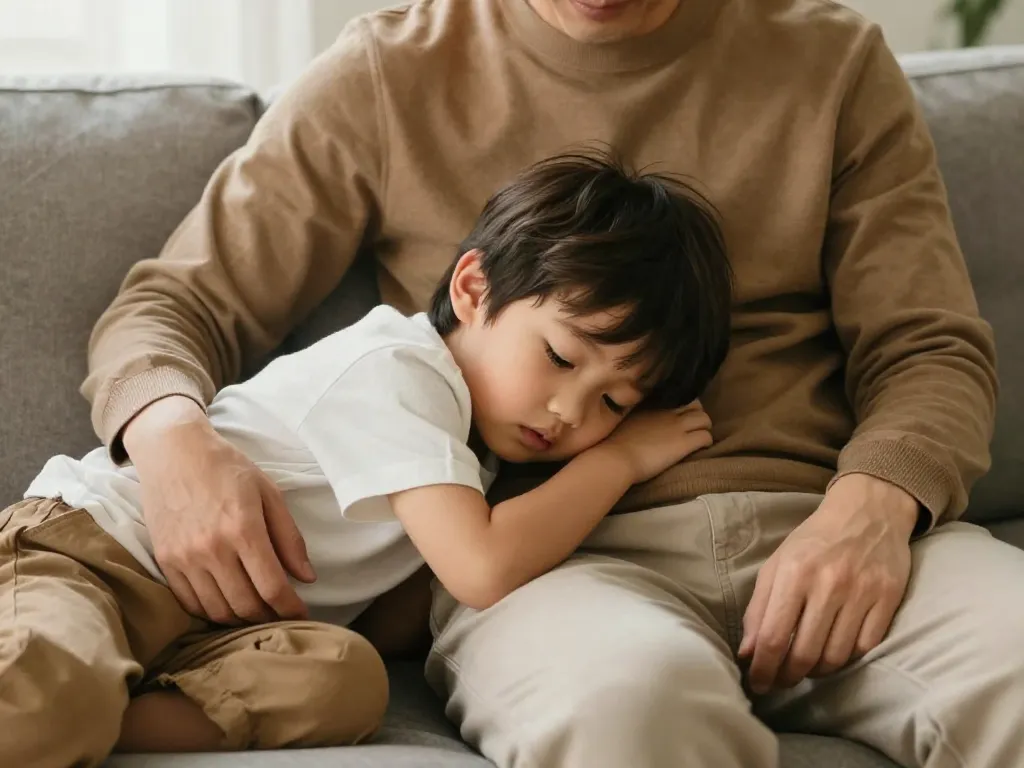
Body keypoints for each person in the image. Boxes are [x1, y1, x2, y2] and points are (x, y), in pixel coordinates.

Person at [62, 0, 1024, 766]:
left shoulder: (833, 60)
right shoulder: (387, 71)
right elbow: (172, 304)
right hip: (557, 566)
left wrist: (869, 514)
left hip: (836, 524)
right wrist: (174, 444)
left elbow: (928, 346)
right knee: (630, 711)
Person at [0, 154, 731, 765]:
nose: (571, 411)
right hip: (92, 557)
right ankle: (69, 710)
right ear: (473, 290)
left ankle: (95, 716)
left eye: (614, 403)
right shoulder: (400, 371)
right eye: (562, 358)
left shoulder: (468, 459)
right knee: (36, 702)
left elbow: (384, 626)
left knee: (345, 680)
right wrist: (618, 461)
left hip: (209, 633)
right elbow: (481, 568)